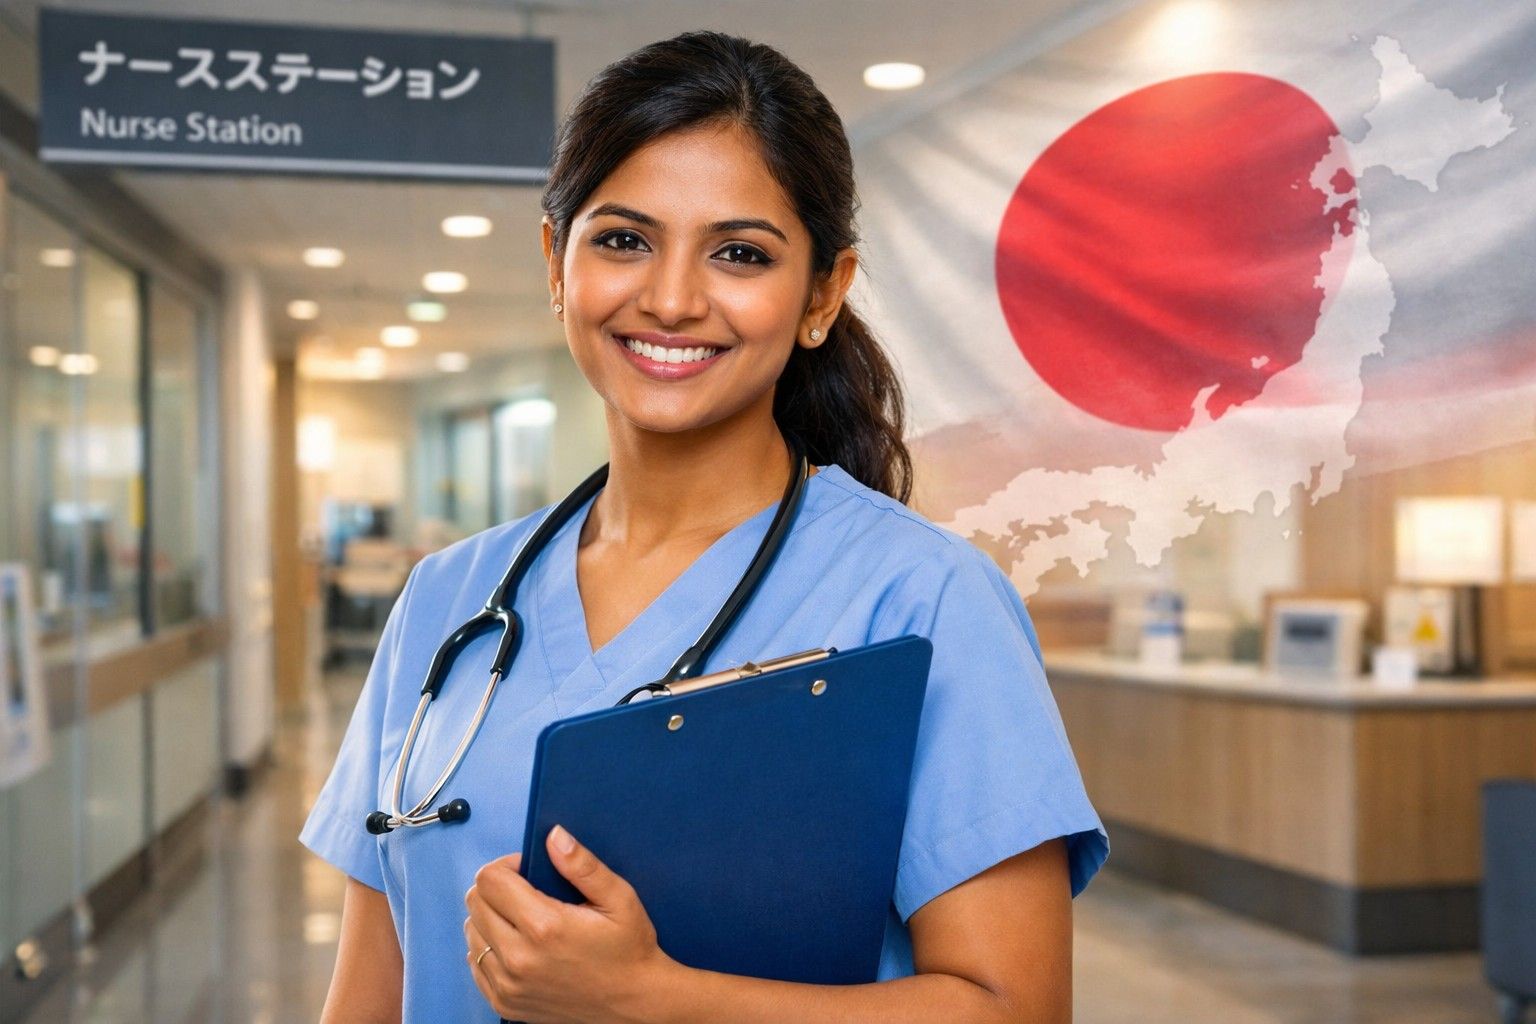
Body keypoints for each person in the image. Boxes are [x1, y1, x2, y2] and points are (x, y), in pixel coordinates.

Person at [301, 29, 1108, 1023]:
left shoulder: (924, 597)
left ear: (822, 293)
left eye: (739, 253)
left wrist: (656, 998)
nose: (673, 299)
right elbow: (369, 990)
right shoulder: (448, 598)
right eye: (624, 239)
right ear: (558, 262)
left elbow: (1015, 1008)